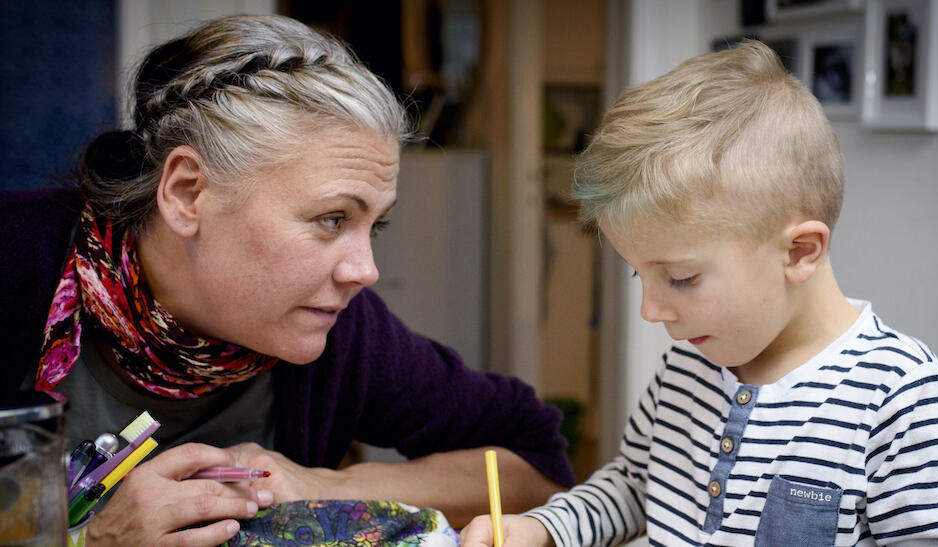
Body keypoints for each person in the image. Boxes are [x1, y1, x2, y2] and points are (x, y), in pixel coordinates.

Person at [0, 14, 572, 546]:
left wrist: (327, 486)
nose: (365, 272)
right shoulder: (18, 259)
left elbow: (535, 465)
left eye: (373, 226)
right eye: (332, 219)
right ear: (187, 193)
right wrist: (90, 540)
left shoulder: (341, 330)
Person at [461, 40, 938, 546]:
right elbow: (635, 487)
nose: (650, 311)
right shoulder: (687, 368)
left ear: (799, 252)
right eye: (639, 275)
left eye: (681, 278)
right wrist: (542, 529)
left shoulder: (901, 396)